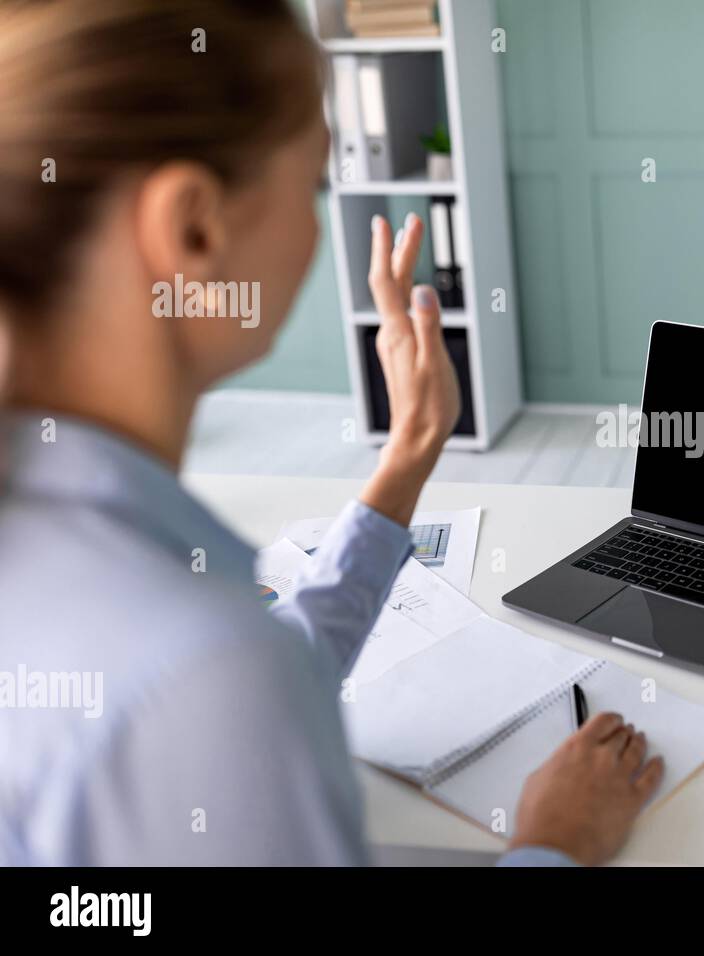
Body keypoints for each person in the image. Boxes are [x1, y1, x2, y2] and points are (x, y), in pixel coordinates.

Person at [0, 0, 662, 866]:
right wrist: (552, 847)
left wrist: (410, 454)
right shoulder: (200, 675)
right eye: (315, 184)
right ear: (194, 227)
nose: (322, 228)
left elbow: (263, 676)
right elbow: (227, 689)